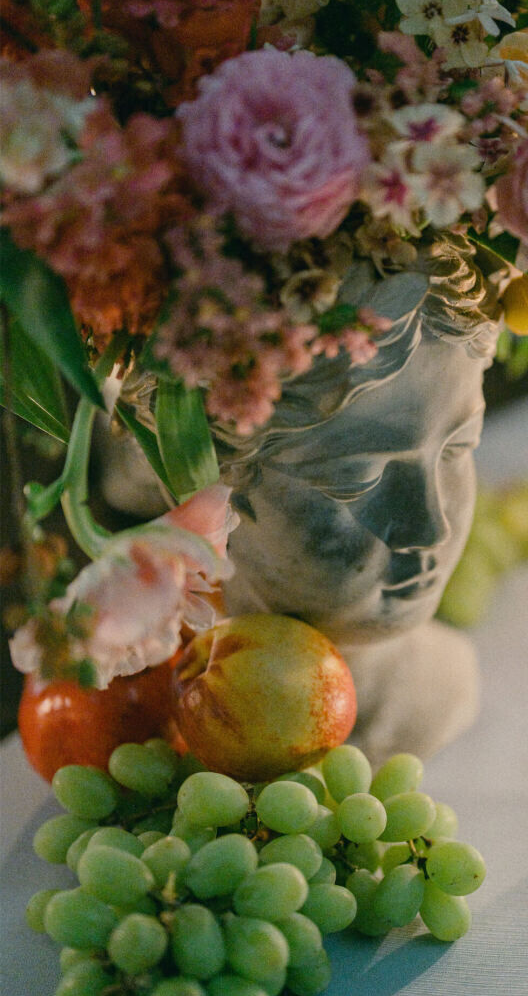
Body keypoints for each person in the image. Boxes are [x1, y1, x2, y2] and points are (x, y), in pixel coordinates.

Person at [101, 239, 500, 760]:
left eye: (458, 447)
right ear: (206, 483)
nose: (431, 526)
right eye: (356, 481)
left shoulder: (436, 687)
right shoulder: (153, 730)